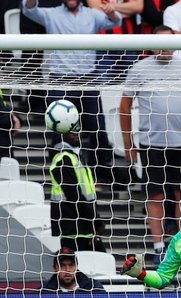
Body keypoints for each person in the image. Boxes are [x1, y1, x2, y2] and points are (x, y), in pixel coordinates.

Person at [121, 25, 181, 264]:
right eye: (160, 42)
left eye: (169, 41)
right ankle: (158, 247)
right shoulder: (139, 69)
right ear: (152, 44)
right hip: (151, 143)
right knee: (156, 194)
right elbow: (124, 106)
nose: (165, 47)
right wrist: (128, 143)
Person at [22, 0, 119, 172]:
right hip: (60, 81)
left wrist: (112, 12)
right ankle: (58, 171)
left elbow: (116, 21)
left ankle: (101, 175)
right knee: (58, 129)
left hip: (88, 79)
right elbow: (29, 10)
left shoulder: (92, 14)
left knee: (98, 127)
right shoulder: (52, 14)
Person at [48, 129, 105, 252]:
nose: (76, 134)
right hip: (74, 230)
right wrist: (96, 221)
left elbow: (87, 196)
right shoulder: (63, 160)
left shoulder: (77, 157)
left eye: (77, 130)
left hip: (85, 229)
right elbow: (75, 197)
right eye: (70, 131)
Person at [41, 247, 106, 293]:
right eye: (62, 266)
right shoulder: (44, 291)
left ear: (76, 267)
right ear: (55, 268)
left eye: (71, 265)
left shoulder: (93, 287)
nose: (67, 270)